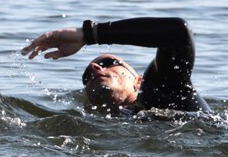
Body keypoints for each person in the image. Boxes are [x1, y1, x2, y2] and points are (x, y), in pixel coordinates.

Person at [21, 17, 210, 115]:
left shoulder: (164, 91)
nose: (95, 68)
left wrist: (90, 35)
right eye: (86, 76)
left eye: (108, 63)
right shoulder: (91, 129)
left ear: (138, 82)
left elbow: (177, 32)